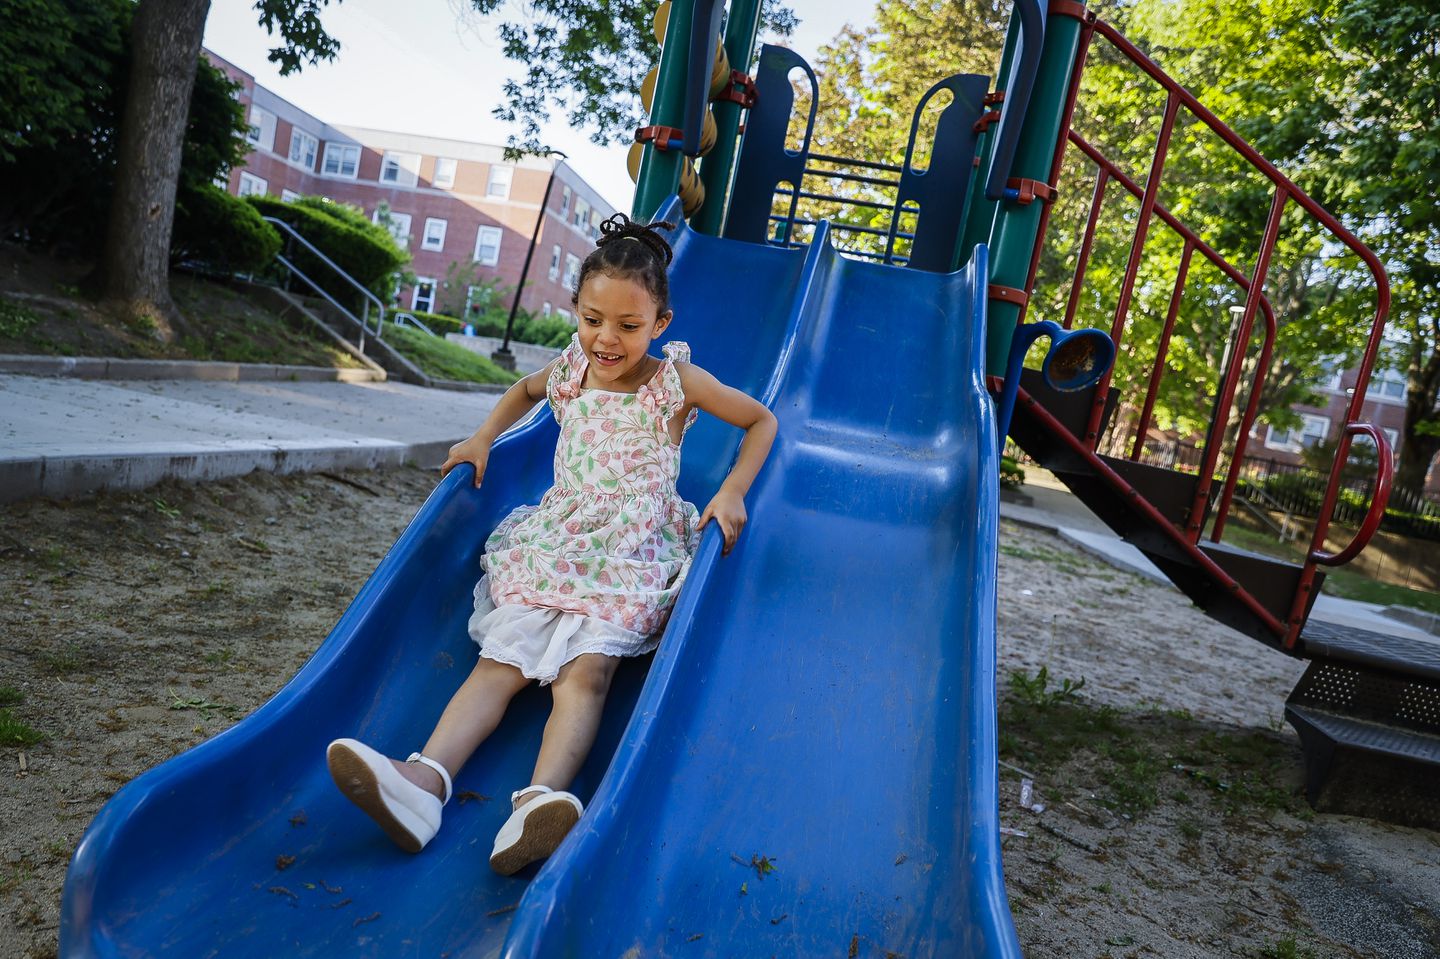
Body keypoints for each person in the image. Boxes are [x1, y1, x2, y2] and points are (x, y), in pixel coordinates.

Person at [326, 213, 777, 875]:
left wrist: (734, 488)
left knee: (585, 671)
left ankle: (540, 801)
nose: (607, 337)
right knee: (500, 661)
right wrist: (482, 437)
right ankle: (424, 783)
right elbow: (521, 388)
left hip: (630, 549)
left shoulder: (674, 383)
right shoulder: (570, 370)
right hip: (561, 536)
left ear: (661, 323)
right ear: (575, 309)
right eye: (593, 318)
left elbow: (761, 420)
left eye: (628, 325)